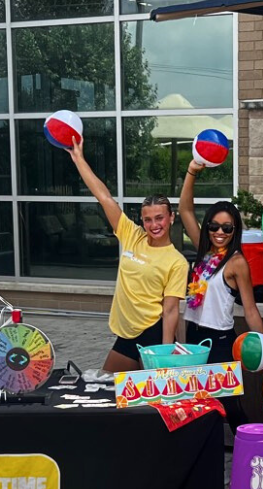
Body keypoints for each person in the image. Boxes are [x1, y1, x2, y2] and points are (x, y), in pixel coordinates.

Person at [67, 136, 189, 373]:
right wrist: (78, 159)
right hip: (128, 333)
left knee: (153, 400)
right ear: (142, 220)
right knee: (108, 388)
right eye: (148, 219)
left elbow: (171, 310)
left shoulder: (177, 262)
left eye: (160, 218)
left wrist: (164, 354)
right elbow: (103, 197)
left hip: (153, 333)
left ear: (171, 218)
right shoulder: (133, 235)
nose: (154, 225)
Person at [178, 160, 263, 429]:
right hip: (193, 337)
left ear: (235, 230)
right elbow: (184, 209)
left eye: (227, 228)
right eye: (214, 226)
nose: (219, 232)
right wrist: (192, 170)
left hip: (219, 343)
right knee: (197, 405)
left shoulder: (237, 262)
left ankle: (254, 456)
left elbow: (250, 309)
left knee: (229, 407)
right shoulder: (204, 251)